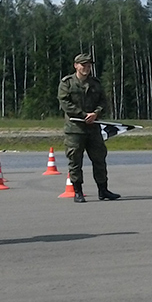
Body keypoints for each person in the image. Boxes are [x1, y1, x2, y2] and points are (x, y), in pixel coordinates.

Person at [57, 52, 119, 203]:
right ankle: (78, 191)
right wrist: (84, 115)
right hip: (75, 129)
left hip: (93, 128)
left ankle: (103, 190)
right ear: (76, 66)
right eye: (83, 65)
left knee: (99, 159)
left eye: (89, 65)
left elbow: (104, 102)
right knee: (75, 160)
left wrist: (96, 113)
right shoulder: (67, 83)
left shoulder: (95, 83)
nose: (86, 68)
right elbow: (65, 103)